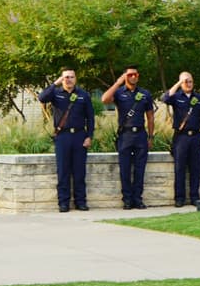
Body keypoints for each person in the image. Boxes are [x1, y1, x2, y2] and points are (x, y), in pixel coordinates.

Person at [37, 68, 95, 212]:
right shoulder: (56, 94)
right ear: (62, 79)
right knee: (63, 171)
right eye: (66, 77)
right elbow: (42, 98)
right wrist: (55, 83)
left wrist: (89, 136)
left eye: (71, 77)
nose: (68, 80)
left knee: (79, 171)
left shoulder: (83, 95)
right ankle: (63, 203)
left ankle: (80, 202)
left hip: (80, 136)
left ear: (75, 78)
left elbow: (90, 117)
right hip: (62, 136)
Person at [101, 65, 154, 210]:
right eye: (130, 75)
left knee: (140, 169)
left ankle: (138, 199)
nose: (133, 77)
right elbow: (104, 99)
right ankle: (127, 200)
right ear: (125, 76)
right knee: (124, 169)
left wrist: (150, 137)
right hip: (125, 134)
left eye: (135, 74)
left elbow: (150, 117)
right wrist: (118, 83)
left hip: (141, 135)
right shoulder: (119, 93)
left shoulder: (145, 94)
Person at [160, 72, 200, 207]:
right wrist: (179, 83)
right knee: (180, 169)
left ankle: (194, 196)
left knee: (195, 169)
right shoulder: (176, 97)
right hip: (181, 137)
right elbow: (165, 98)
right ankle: (179, 198)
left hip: (196, 136)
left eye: (190, 81)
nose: (188, 84)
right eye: (185, 82)